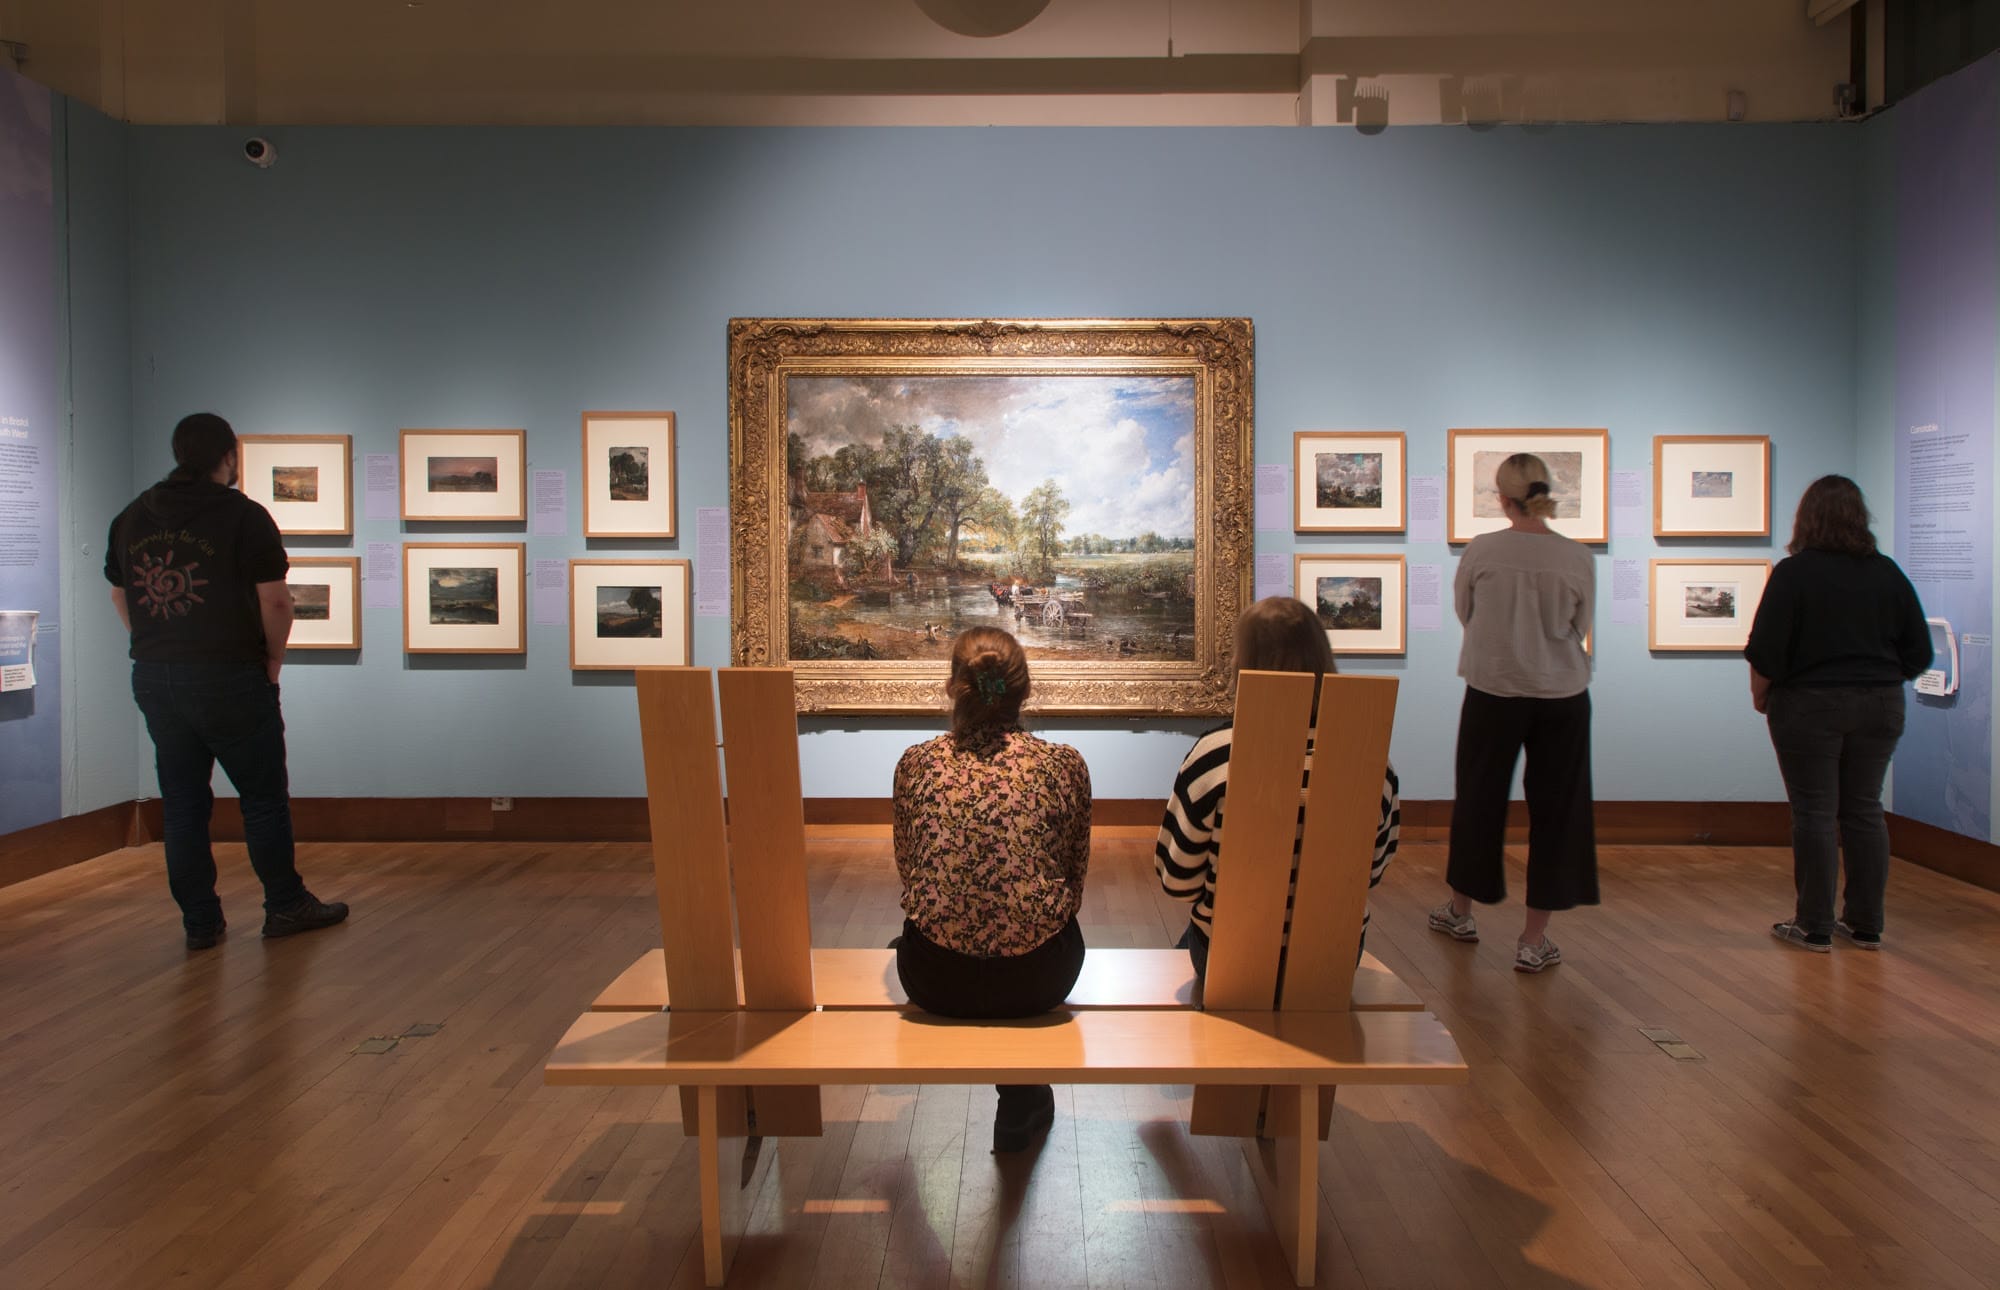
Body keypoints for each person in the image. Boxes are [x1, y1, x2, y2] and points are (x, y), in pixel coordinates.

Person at [105, 413, 349, 951]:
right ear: (229, 457)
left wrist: (155, 646)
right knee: (261, 798)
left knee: (183, 800)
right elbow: (277, 600)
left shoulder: (132, 517)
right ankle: (284, 905)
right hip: (229, 674)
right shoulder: (244, 516)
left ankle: (200, 922)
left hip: (155, 677)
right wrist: (273, 661)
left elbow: (121, 593)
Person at [891, 627, 1090, 1152]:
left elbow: (910, 873)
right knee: (1045, 928)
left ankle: (1023, 1098)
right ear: (1023, 690)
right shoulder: (1063, 765)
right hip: (1040, 978)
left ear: (954, 685)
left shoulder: (917, 763)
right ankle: (1024, 1099)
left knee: (930, 930)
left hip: (935, 980)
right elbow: (1073, 881)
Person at [1154, 597, 1401, 985]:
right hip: (1332, 962)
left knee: (1187, 941)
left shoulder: (1214, 755)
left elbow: (1176, 880)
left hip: (1230, 960)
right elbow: (1372, 872)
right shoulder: (1372, 764)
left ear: (1243, 663)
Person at [1745, 475, 1931, 952]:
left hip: (1809, 704)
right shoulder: (1886, 572)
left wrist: (1763, 696)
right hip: (1880, 703)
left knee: (1814, 811)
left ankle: (1814, 925)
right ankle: (1866, 924)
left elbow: (1766, 650)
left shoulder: (1795, 573)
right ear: (1859, 518)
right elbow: (1920, 651)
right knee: (1864, 809)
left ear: (1806, 518)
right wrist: (1882, 679)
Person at [1431, 452, 1595, 973]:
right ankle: (1532, 938)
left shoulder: (1483, 551)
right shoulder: (1576, 557)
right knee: (1557, 812)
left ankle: (1461, 911)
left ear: (1502, 498)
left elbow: (1465, 612)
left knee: (1478, 799)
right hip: (1562, 693)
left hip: (1492, 687)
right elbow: (1580, 622)